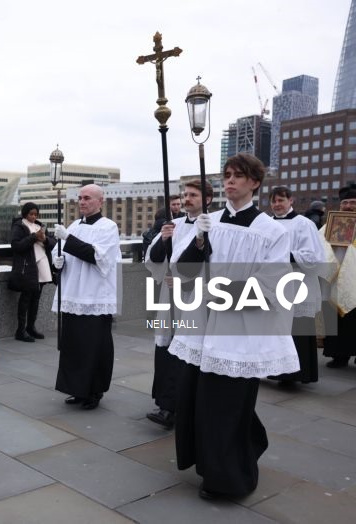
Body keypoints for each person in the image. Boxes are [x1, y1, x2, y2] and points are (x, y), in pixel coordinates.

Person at [170, 153, 299, 500]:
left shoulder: (270, 230)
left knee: (225, 407)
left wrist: (220, 292)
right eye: (227, 174)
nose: (230, 181)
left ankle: (228, 478)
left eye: (238, 175)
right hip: (201, 329)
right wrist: (198, 242)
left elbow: (272, 286)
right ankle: (206, 463)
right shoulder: (207, 221)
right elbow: (182, 274)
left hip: (239, 331)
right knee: (197, 402)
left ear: (255, 183)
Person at [144, 180, 213, 428]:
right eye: (185, 194)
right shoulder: (174, 224)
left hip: (196, 296)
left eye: (193, 195)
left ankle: (183, 404)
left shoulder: (212, 223)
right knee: (167, 347)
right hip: (170, 294)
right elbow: (153, 260)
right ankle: (166, 404)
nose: (187, 198)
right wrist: (163, 240)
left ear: (207, 199)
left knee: (189, 349)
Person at [52, 184, 121, 410]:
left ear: (100, 201)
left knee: (94, 346)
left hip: (95, 296)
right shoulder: (74, 225)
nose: (82, 202)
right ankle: (77, 389)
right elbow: (60, 252)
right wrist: (58, 261)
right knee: (74, 346)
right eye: (80, 198)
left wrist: (67, 240)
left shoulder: (108, 227)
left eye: (87, 198)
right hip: (74, 293)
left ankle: (94, 390)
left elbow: (97, 257)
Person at [267, 186, 326, 385]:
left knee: (297, 329)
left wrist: (285, 255)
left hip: (298, 283)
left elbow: (314, 257)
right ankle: (276, 370)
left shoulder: (304, 224)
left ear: (291, 201)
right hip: (273, 285)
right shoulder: (266, 224)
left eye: (281, 200)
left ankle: (297, 373)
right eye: (274, 201)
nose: (277, 204)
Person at [9, 202, 56, 342]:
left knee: (36, 298)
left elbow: (53, 244)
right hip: (27, 267)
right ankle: (21, 330)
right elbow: (16, 245)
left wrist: (45, 239)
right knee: (26, 298)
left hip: (41, 265)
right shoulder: (19, 226)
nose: (34, 216)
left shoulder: (39, 226)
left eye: (36, 214)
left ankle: (31, 327)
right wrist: (34, 237)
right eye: (31, 214)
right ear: (25, 213)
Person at [321, 183, 356, 368]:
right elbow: (319, 246)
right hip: (337, 280)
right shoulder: (331, 225)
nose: (348, 206)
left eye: (352, 202)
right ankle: (339, 356)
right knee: (339, 324)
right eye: (345, 203)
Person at [141, 195, 185, 261]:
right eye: (173, 204)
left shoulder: (183, 217)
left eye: (178, 204)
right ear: (168, 205)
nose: (176, 207)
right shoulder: (165, 218)